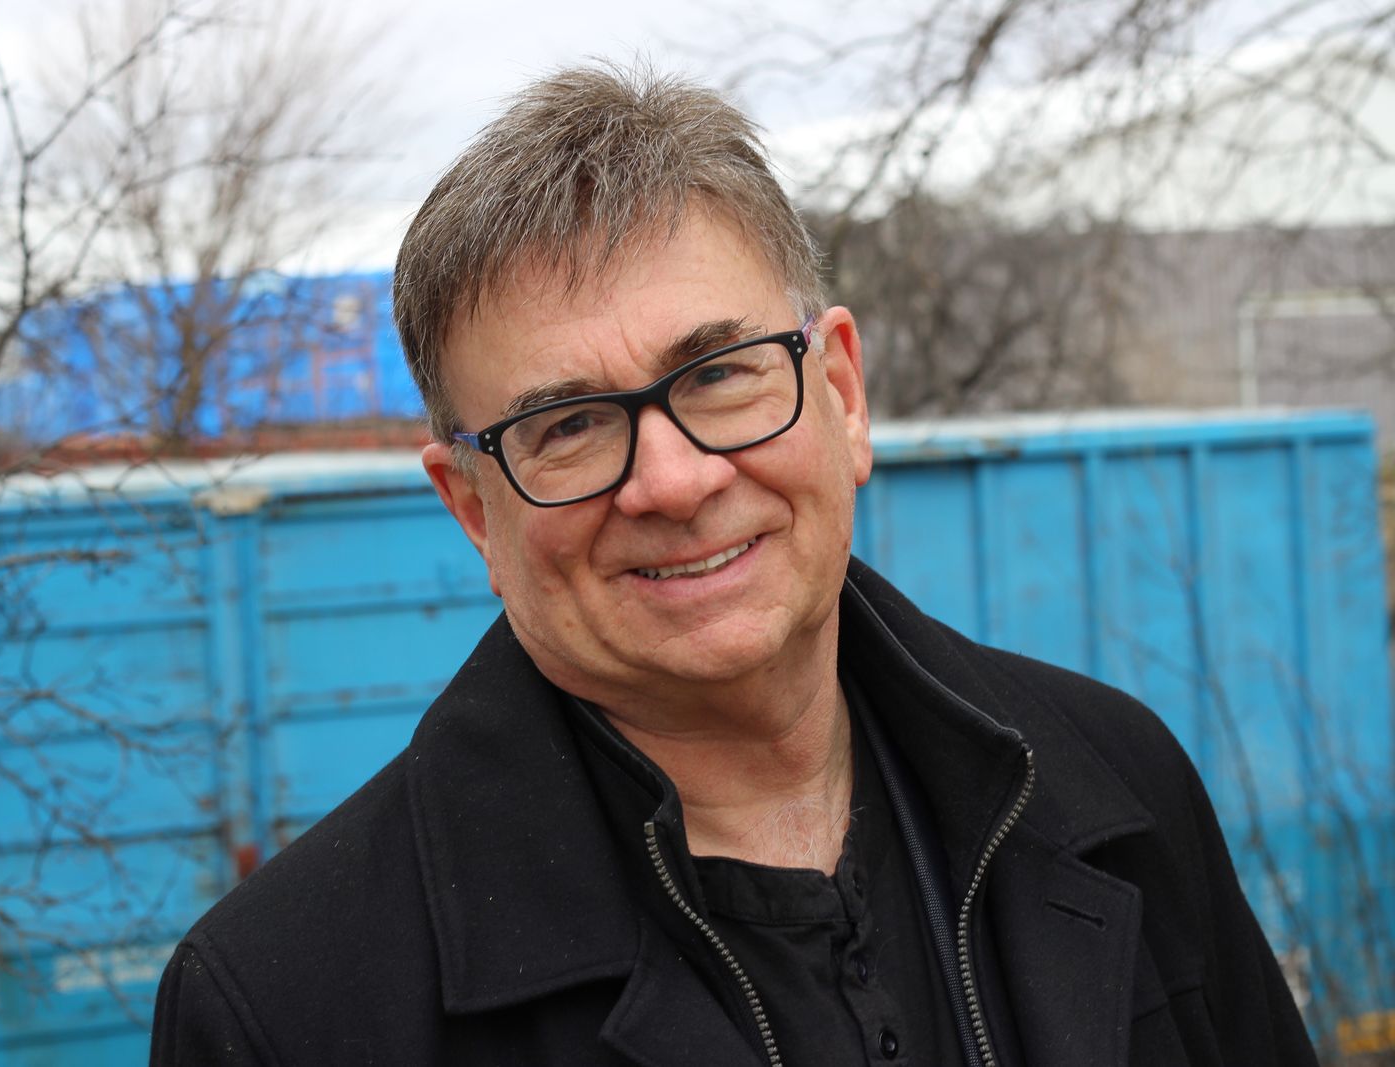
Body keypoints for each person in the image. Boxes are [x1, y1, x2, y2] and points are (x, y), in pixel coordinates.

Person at [151, 65, 1317, 1067]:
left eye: (717, 374)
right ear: (473, 510)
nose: (672, 480)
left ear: (842, 393)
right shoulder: (287, 1007)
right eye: (568, 424)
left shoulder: (1114, 785)